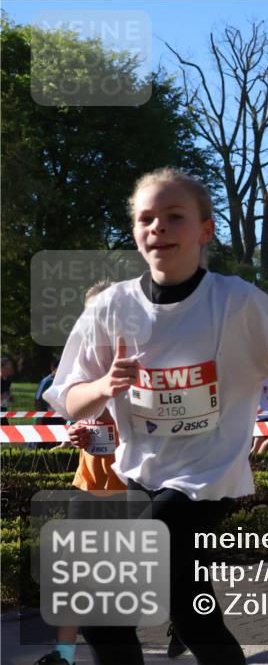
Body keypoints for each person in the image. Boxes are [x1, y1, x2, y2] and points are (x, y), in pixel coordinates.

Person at [45, 168, 268, 665]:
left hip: (207, 476)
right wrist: (106, 385)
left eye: (174, 217)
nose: (159, 228)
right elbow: (67, 397)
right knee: (189, 611)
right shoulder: (109, 307)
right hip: (141, 473)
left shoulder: (238, 302)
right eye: (147, 218)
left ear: (204, 230)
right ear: (135, 232)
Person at [35, 283, 129, 665]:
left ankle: (185, 620)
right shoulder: (83, 367)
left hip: (132, 490)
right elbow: (77, 418)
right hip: (88, 484)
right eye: (90, 315)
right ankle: (64, 655)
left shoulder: (136, 364)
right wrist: (77, 433)